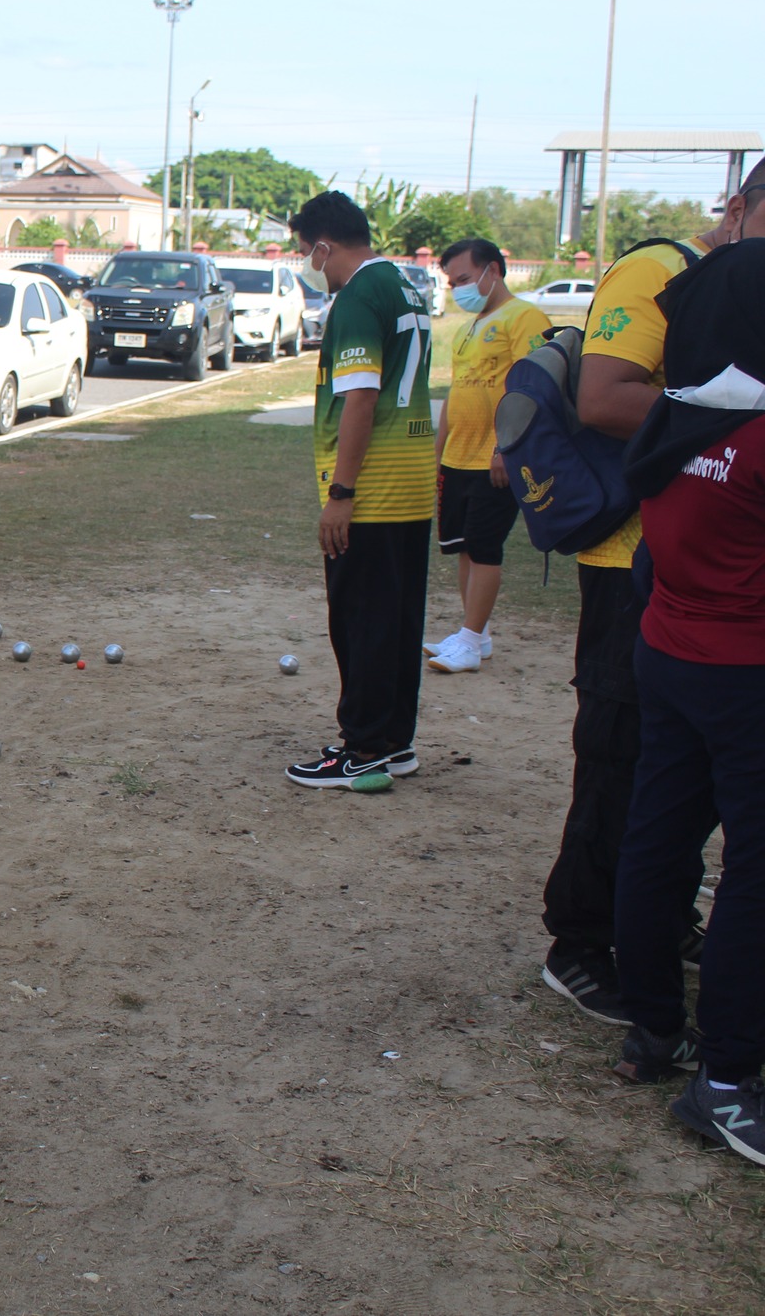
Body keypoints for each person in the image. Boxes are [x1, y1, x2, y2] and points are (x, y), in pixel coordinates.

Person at [535, 165, 758, 1022]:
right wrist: (732, 416)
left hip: (710, 569)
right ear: (735, 209)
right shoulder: (658, 272)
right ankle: (582, 940)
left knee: (686, 781)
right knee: (620, 753)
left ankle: (658, 920)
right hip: (635, 557)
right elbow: (604, 396)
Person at [607, 231, 765, 1153]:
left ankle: (653, 1027)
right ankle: (730, 1074)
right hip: (742, 672)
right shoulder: (751, 431)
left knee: (659, 836)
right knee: (749, 868)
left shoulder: (676, 417)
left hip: (668, 651)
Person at [283, 191, 436, 787]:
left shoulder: (356, 298)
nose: (305, 262)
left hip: (372, 490)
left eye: (304, 251)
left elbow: (361, 397)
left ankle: (364, 749)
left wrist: (341, 491)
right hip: (412, 486)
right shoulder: (406, 285)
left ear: (324, 246)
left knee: (362, 618)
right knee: (397, 619)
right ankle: (396, 741)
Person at [423, 237, 554, 672]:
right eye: (452, 282)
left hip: (495, 458)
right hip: (457, 457)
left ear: (492, 270)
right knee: (462, 546)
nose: (457, 289)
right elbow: (456, 393)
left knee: (484, 545)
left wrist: (506, 447)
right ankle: (473, 635)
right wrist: (436, 452)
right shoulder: (466, 329)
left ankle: (470, 638)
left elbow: (531, 387)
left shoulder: (525, 317)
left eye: (464, 279)